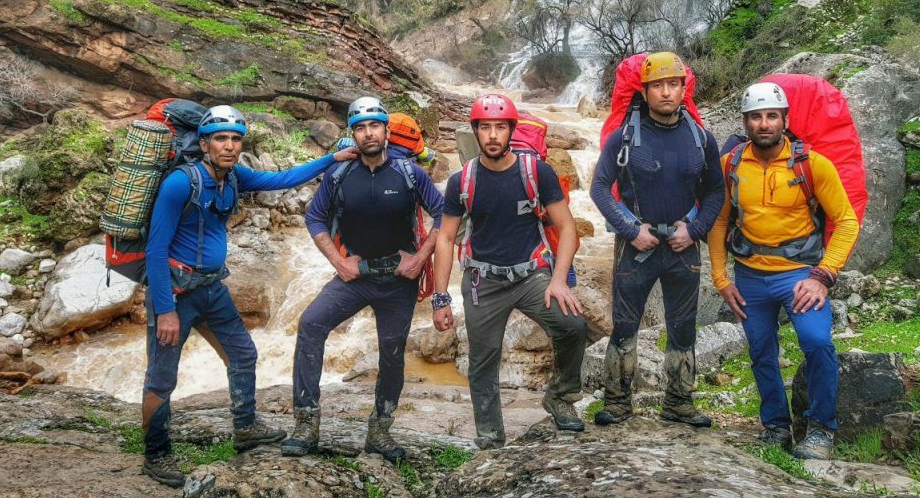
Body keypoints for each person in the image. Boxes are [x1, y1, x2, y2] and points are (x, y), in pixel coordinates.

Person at [141, 104, 358, 488]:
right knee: (162, 377)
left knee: (243, 353)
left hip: (211, 288)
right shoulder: (180, 183)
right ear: (205, 142)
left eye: (235, 139)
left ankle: (245, 427)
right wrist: (166, 310)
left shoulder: (234, 177)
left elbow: (282, 179)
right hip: (176, 292)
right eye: (221, 138)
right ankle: (156, 454)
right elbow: (156, 250)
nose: (229, 146)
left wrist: (331, 158)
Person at [283, 96, 444, 463]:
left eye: (374, 126)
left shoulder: (409, 173)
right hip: (354, 276)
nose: (368, 133)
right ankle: (306, 424)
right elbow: (315, 219)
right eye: (360, 128)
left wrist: (420, 258)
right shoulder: (340, 175)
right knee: (311, 324)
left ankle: (380, 430)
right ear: (353, 134)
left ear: (386, 131)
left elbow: (445, 213)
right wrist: (338, 261)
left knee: (391, 352)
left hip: (397, 280)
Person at [707, 82, 860, 459]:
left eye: (771, 116)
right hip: (749, 276)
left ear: (784, 120)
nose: (764, 124)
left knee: (818, 342)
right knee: (761, 350)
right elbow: (719, 223)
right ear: (745, 122)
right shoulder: (730, 165)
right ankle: (776, 426)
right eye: (756, 116)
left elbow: (846, 221)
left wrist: (823, 276)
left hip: (800, 274)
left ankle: (822, 429)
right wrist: (721, 279)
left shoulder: (812, 164)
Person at [432, 93, 587, 450]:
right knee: (483, 359)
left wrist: (560, 280)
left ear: (511, 131)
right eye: (485, 127)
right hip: (481, 281)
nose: (492, 135)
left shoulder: (537, 173)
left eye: (500, 127)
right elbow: (445, 238)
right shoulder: (462, 181)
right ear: (475, 132)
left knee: (572, 325)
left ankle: (560, 398)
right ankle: (490, 437)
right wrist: (441, 298)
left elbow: (567, 228)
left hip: (531, 275)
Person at [589, 52, 725, 428]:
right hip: (635, 247)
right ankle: (617, 403)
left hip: (683, 247)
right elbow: (599, 188)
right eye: (657, 86)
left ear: (684, 88)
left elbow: (716, 192)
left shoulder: (701, 138)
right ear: (645, 91)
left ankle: (679, 402)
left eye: (673, 84)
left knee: (683, 326)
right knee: (624, 325)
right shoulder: (625, 136)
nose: (666, 92)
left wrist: (693, 231)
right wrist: (631, 230)